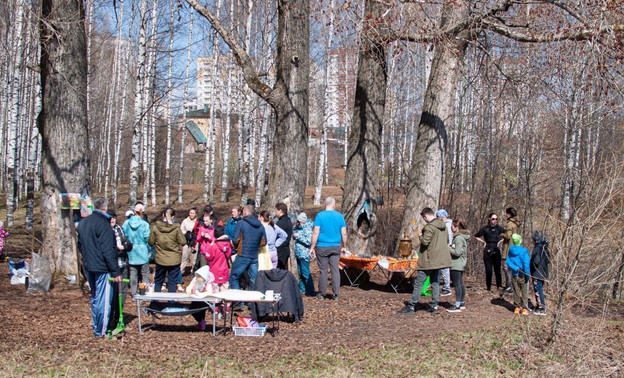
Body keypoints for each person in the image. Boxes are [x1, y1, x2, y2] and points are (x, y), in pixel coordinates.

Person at [77, 197, 121, 337]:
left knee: (95, 298)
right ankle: (101, 331)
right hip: (103, 268)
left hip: (89, 266)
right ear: (105, 208)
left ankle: (97, 327)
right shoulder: (103, 224)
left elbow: (80, 245)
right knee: (104, 299)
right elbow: (109, 250)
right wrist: (115, 271)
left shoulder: (83, 223)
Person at [398, 207, 451, 315]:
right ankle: (434, 305)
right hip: (438, 260)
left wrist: (420, 237)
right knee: (435, 282)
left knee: (419, 283)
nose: (424, 220)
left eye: (423, 218)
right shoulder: (443, 227)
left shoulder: (429, 227)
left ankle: (411, 306)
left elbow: (426, 242)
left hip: (428, 260)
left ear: (425, 216)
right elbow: (445, 240)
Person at [310, 196, 347, 301]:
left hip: (322, 246)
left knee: (323, 270)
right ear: (334, 205)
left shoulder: (320, 216)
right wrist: (344, 246)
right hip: (335, 246)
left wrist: (312, 247)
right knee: (335, 270)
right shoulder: (339, 216)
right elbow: (344, 233)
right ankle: (336, 294)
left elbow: (315, 232)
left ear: (324, 205)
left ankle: (322, 294)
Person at [148, 207, 186, 293]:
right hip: (174, 259)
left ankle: (155, 303)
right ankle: (171, 303)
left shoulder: (155, 227)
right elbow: (183, 241)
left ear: (163, 215)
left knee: (158, 281)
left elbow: (150, 242)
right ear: (173, 217)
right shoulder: (176, 228)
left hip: (161, 259)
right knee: (172, 282)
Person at [229, 204, 266, 290]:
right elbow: (264, 242)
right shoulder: (260, 226)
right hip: (254, 256)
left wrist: (235, 245)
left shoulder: (241, 224)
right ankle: (252, 302)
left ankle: (238, 302)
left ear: (245, 212)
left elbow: (235, 240)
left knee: (234, 277)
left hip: (243, 254)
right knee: (253, 280)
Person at [122, 204, 151, 296]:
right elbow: (147, 238)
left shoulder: (126, 223)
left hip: (131, 252)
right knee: (145, 273)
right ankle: (144, 292)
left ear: (134, 211)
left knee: (133, 274)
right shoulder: (145, 224)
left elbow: (123, 235)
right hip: (142, 251)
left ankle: (134, 293)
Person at [475, 213, 505, 292]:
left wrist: (500, 242)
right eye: (493, 219)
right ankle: (488, 287)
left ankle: (499, 287)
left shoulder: (499, 228)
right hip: (487, 250)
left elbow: (507, 236)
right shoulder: (486, 228)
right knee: (488, 270)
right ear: (489, 219)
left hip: (496, 249)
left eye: (496, 219)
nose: (494, 221)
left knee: (497, 270)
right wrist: (483, 242)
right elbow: (476, 236)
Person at [446, 219, 469, 313]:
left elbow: (457, 252)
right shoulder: (461, 237)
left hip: (457, 263)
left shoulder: (458, 238)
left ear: (457, 227)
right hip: (460, 263)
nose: (451, 227)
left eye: (452, 225)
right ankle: (462, 302)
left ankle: (457, 305)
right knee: (460, 283)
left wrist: (448, 248)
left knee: (457, 284)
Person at [185, 265, 217, 331]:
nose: (198, 279)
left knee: (202, 311)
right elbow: (190, 286)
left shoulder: (208, 283)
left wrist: (200, 294)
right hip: (195, 299)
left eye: (199, 277)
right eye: (197, 277)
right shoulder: (195, 280)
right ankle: (201, 321)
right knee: (192, 310)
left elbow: (209, 292)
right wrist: (188, 290)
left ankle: (202, 323)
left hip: (204, 300)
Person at [506, 233, 531, 315]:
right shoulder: (524, 251)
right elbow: (526, 263)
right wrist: (527, 274)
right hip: (523, 275)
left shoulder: (511, 250)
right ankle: (524, 308)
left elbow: (508, 261)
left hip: (514, 274)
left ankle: (517, 307)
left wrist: (515, 268)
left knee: (516, 291)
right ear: (520, 241)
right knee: (524, 292)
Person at [293, 212, 315, 296]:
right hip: (298, 253)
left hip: (305, 254)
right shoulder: (299, 227)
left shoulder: (308, 228)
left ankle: (311, 290)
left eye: (299, 222)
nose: (299, 223)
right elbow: (294, 233)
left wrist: (299, 237)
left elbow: (309, 241)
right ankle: (302, 289)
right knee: (300, 272)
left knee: (305, 273)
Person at [501, 207, 520, 294]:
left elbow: (508, 236)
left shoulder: (510, 224)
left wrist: (501, 234)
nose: (505, 215)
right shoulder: (515, 223)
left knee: (506, 266)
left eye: (506, 213)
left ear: (509, 214)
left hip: (508, 247)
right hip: (514, 247)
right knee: (511, 267)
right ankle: (512, 285)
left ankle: (509, 286)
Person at [531, 231, 550, 316]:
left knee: (538, 290)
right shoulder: (545, 247)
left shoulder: (537, 248)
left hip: (537, 272)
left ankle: (541, 308)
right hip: (544, 272)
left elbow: (536, 261)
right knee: (540, 289)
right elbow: (548, 260)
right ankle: (539, 306)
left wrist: (531, 265)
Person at [436, 209, 453, 297]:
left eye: (437, 216)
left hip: (445, 249)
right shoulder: (445, 225)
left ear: (441, 217)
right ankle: (437, 285)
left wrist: (448, 245)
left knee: (444, 268)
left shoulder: (447, 225)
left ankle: (447, 288)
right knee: (440, 268)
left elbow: (449, 237)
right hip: (442, 248)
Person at [180, 207, 199, 275]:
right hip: (186, 242)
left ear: (196, 214)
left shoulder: (198, 222)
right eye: (190, 213)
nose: (191, 214)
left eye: (193, 213)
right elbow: (181, 230)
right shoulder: (185, 221)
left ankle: (194, 272)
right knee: (184, 257)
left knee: (194, 258)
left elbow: (199, 231)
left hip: (195, 242)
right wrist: (186, 233)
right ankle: (181, 271)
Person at [275, 203, 293, 270]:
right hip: (285, 249)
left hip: (280, 250)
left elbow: (276, 235)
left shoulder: (281, 223)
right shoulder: (288, 220)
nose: (275, 213)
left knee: (279, 271)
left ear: (280, 210)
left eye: (276, 211)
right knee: (284, 270)